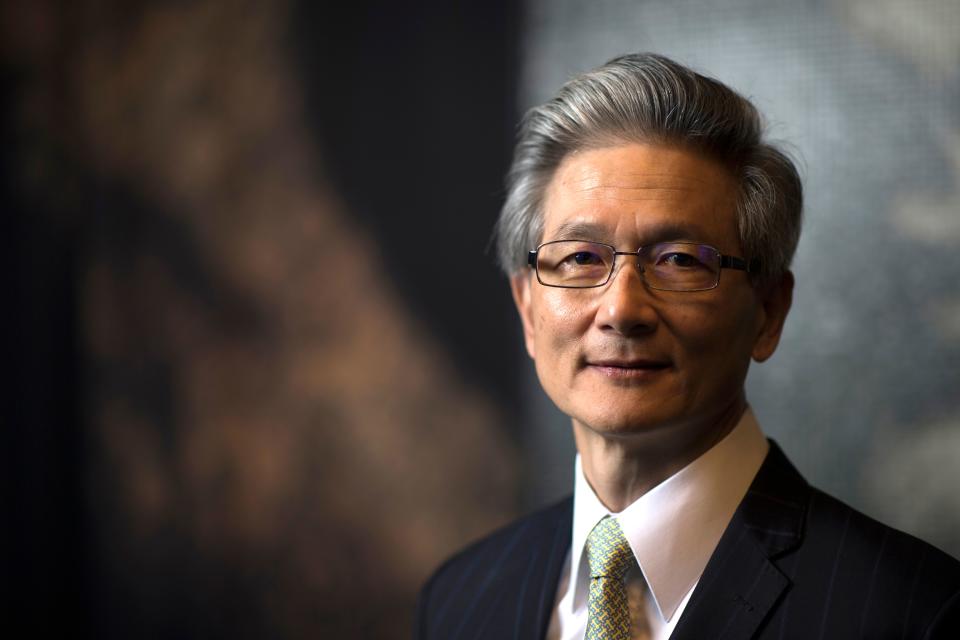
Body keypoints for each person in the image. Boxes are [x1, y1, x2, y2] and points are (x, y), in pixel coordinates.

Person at [415, 53, 960, 639]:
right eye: (579, 258)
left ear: (768, 311)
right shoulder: (460, 599)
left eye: (678, 261)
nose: (622, 310)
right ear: (527, 308)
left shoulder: (916, 613)